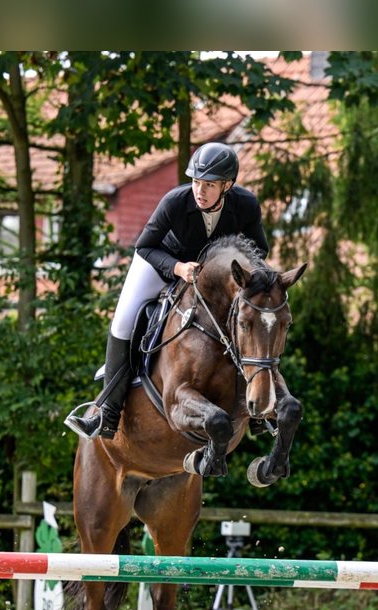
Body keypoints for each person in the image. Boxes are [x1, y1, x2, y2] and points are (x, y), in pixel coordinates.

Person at [65, 141, 269, 440]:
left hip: (209, 279)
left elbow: (258, 249)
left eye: (209, 185)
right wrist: (178, 268)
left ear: (227, 185)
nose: (199, 191)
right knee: (124, 320)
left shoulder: (246, 204)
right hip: (162, 262)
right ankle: (107, 413)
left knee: (255, 321)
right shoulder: (175, 201)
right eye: (196, 182)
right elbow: (145, 246)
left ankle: (259, 408)